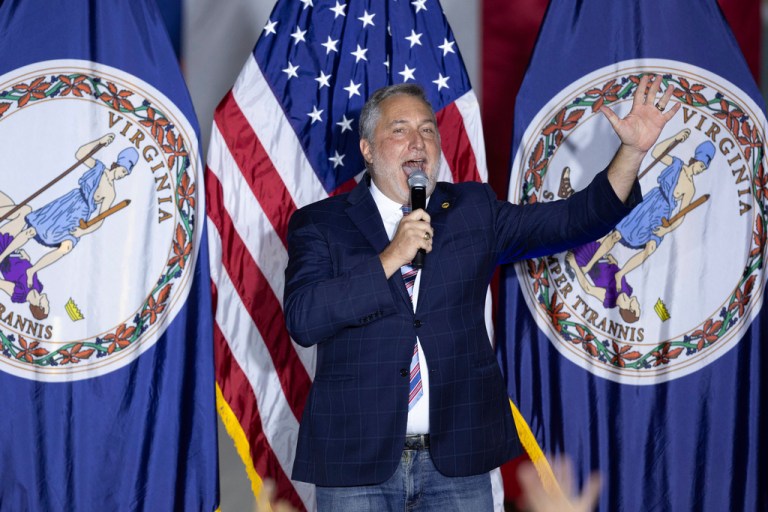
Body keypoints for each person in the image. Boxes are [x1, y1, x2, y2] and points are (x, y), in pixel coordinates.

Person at [283, 75, 679, 511]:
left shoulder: (471, 210)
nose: (418, 142)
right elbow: (304, 319)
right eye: (400, 130)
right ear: (367, 149)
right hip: (353, 461)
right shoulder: (321, 223)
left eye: (428, 130)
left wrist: (632, 152)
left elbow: (575, 220)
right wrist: (392, 256)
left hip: (457, 460)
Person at [580, 129, 715, 288]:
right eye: (701, 165)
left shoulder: (690, 188)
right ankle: (589, 265)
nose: (700, 169)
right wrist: (675, 138)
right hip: (650, 203)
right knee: (617, 234)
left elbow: (681, 215)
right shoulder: (677, 164)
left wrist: (666, 229)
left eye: (703, 168)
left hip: (662, 216)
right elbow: (656, 152)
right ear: (696, 159)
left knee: (650, 248)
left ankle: (620, 274)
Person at [0, 133, 137, 286]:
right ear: (118, 164)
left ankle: (32, 271)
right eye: (123, 171)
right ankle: (2, 256)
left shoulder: (111, 193)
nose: (123, 175)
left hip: (80, 217)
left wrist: (82, 232)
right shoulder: (99, 168)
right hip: (68, 203)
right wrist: (100, 141)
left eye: (126, 174)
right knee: (32, 230)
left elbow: (100, 219)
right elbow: (80, 154)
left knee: (66, 247)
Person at [566, 242, 641, 323]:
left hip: (586, 257)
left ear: (631, 309)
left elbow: (588, 288)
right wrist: (615, 264)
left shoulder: (610, 299)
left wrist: (574, 265)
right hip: (599, 252)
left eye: (638, 309)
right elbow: (616, 278)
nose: (638, 306)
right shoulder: (628, 291)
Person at [0, 194, 48, 319]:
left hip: (2, 249)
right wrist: (26, 258)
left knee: (24, 211)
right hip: (13, 247)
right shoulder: (38, 287)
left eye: (46, 306)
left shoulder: (20, 294)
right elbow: (25, 270)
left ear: (39, 306)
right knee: (20, 209)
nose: (48, 303)